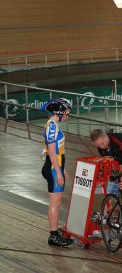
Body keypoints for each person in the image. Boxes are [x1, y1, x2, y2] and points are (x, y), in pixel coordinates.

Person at [41, 97, 73, 247]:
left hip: (55, 167)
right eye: (67, 112)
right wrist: (59, 172)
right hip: (53, 169)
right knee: (55, 202)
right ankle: (53, 236)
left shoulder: (53, 125)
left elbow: (57, 151)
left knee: (56, 202)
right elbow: (52, 152)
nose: (68, 115)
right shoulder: (52, 126)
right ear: (59, 112)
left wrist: (63, 169)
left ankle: (54, 233)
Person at [90, 129, 122, 195]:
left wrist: (106, 176)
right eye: (98, 146)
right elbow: (108, 163)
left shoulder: (120, 143)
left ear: (105, 136)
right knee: (109, 195)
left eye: (102, 144)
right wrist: (102, 177)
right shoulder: (101, 148)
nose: (101, 147)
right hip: (117, 169)